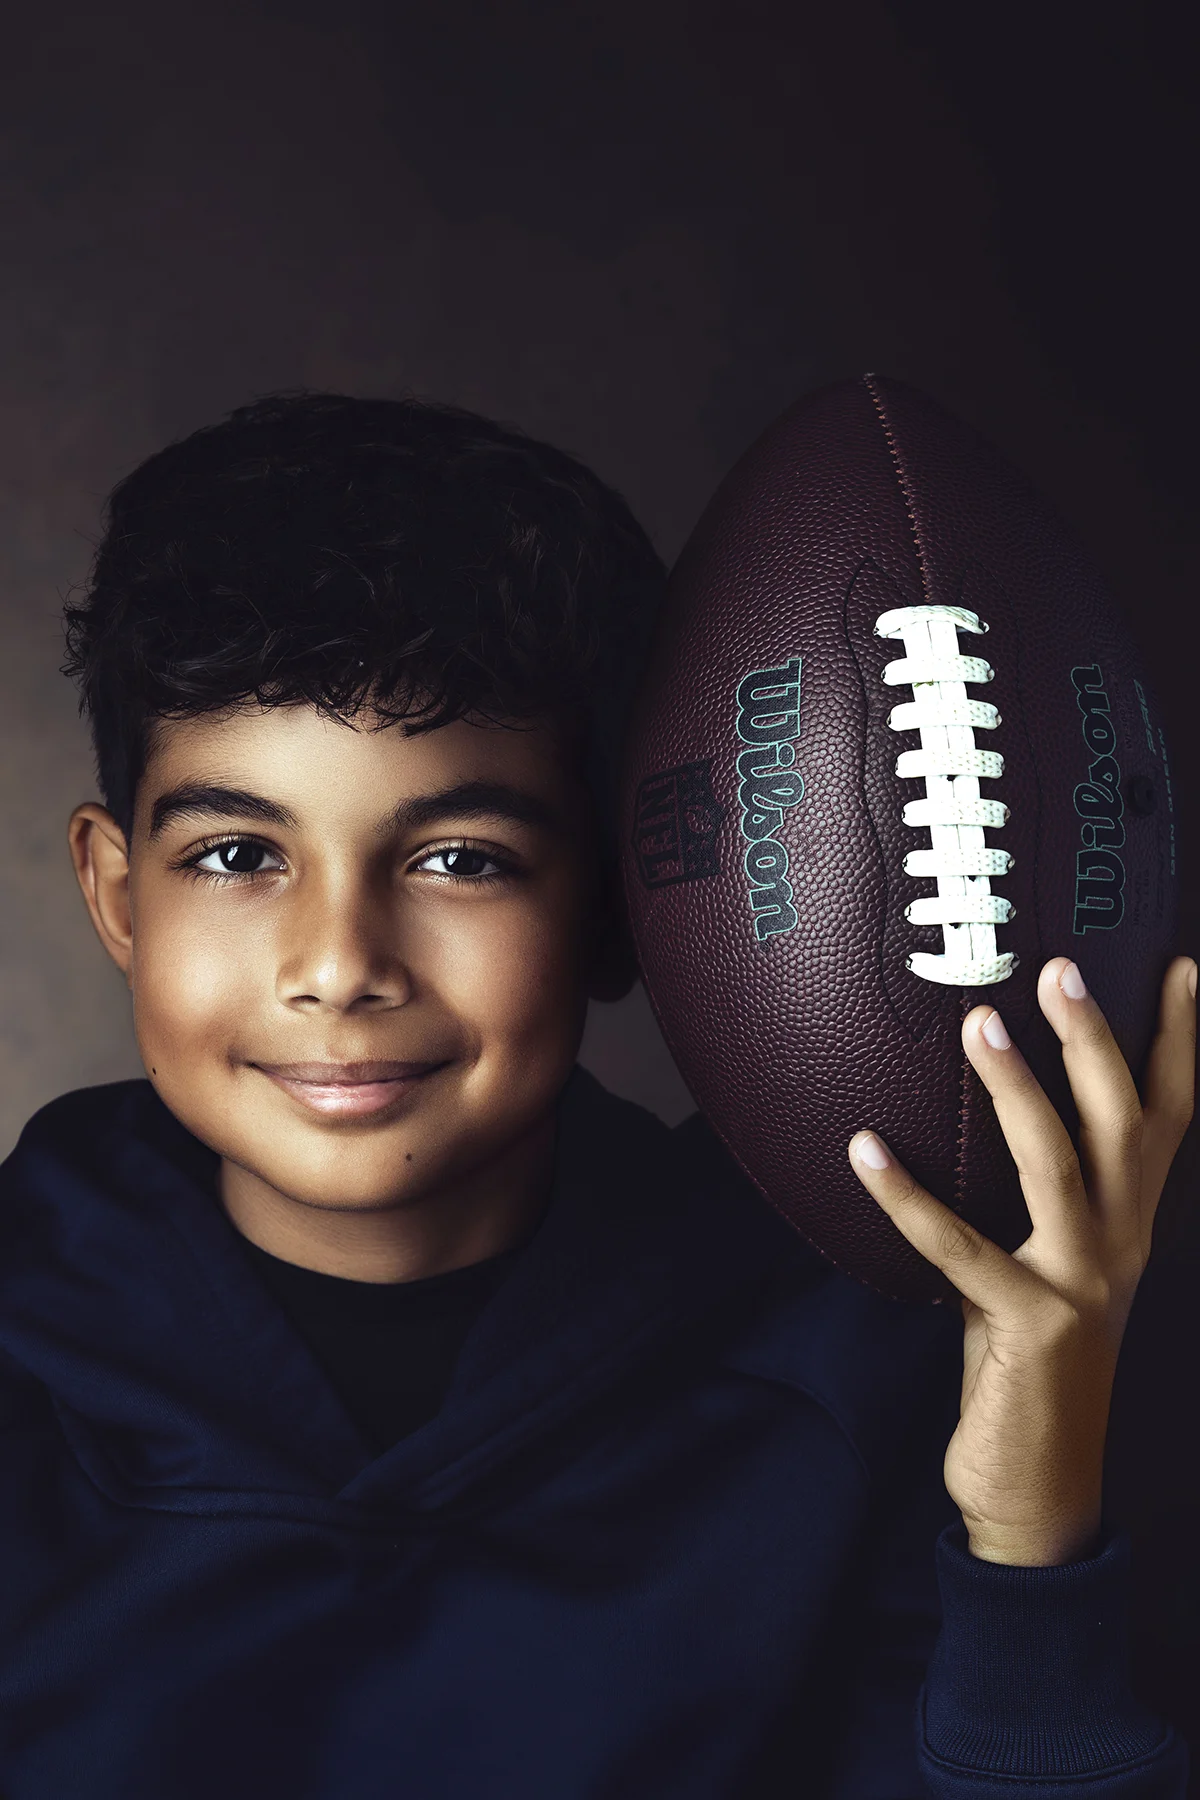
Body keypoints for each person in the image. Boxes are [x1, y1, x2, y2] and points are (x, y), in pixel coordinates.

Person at [0, 392, 1192, 1799]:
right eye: (234, 855)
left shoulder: (860, 1372)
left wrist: (1028, 1547)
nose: (338, 967)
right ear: (112, 889)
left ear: (634, 907)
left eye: (459, 859)